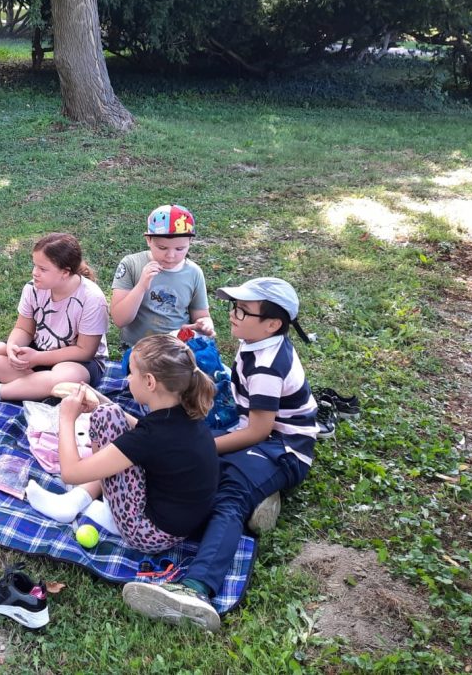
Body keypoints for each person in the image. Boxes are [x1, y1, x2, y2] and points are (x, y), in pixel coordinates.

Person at [123, 277, 318, 631]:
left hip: (282, 448)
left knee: (230, 496)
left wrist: (199, 447)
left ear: (272, 324)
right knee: (190, 459)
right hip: (252, 434)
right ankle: (263, 498)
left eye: (243, 311)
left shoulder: (268, 366)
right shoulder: (255, 342)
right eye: (234, 307)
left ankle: (197, 588)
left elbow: (258, 431)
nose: (233, 314)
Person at [25, 334, 218, 553]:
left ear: (150, 382)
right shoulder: (183, 415)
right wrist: (103, 402)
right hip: (181, 524)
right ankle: (82, 501)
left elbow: (70, 473)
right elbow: (143, 432)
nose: (128, 379)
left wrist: (66, 418)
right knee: (107, 412)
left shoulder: (150, 436)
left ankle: (89, 508)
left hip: (147, 534)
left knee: (103, 417)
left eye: (131, 373)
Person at [0, 233, 109, 402]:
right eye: (35, 265)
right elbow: (24, 329)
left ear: (65, 272)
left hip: (77, 362)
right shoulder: (33, 288)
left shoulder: (92, 299)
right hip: (38, 350)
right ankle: (40, 390)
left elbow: (84, 352)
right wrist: (13, 347)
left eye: (43, 269)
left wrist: (37, 358)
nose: (35, 273)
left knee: (67, 378)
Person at [110, 204, 214, 353]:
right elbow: (120, 319)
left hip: (178, 350)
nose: (170, 256)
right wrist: (141, 286)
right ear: (148, 240)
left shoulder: (194, 273)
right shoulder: (132, 264)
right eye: (162, 248)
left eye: (180, 249)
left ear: (190, 242)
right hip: (137, 349)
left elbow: (201, 316)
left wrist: (205, 325)